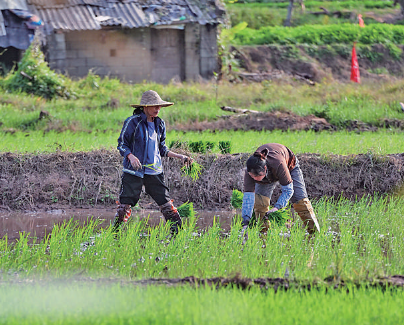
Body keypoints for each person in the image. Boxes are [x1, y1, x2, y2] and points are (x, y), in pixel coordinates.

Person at [113, 90, 192, 235]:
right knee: (124, 206)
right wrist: (130, 156)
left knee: (167, 205)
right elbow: (121, 145)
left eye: (159, 106)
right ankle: (115, 234)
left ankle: (178, 235)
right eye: (154, 106)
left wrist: (181, 156)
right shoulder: (133, 122)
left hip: (154, 171)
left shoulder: (159, 124)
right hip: (134, 171)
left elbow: (162, 149)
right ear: (145, 107)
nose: (157, 109)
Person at [241, 143, 320, 234]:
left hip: (289, 166)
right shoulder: (250, 172)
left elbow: (288, 190)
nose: (254, 179)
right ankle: (263, 235)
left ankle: (315, 233)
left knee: (301, 202)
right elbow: (248, 197)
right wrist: (245, 222)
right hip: (266, 174)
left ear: (265, 168)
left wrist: (277, 208)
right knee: (260, 205)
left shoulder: (279, 164)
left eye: (256, 176)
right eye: (252, 176)